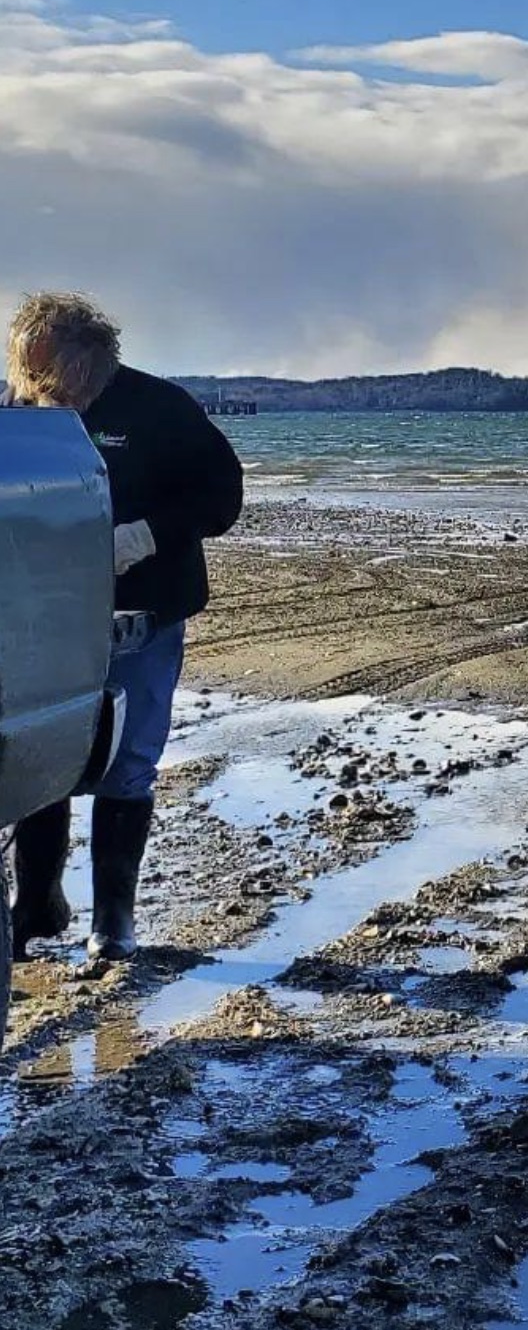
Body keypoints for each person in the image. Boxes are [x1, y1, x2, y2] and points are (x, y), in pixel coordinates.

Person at [3, 292, 243, 969]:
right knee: (40, 755)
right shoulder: (18, 414)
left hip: (141, 613)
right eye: (33, 377)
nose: (47, 391)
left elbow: (221, 498)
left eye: (57, 375)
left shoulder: (161, 408)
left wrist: (144, 536)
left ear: (94, 358)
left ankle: (114, 916)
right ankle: (36, 902)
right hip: (46, 616)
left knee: (128, 762)